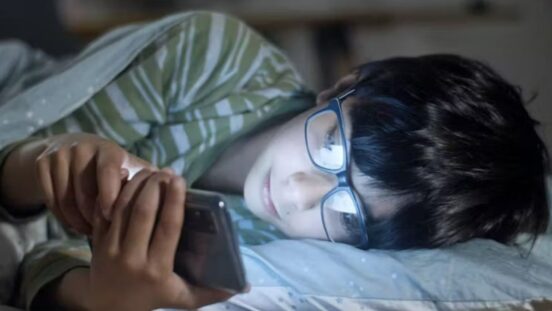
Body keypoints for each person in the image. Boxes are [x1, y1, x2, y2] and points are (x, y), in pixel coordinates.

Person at [0, 11, 548, 311]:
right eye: (332, 146)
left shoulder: (269, 255)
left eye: (347, 214)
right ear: (343, 86)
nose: (296, 192)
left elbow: (41, 261)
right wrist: (41, 160)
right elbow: (22, 155)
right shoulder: (209, 58)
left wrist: (102, 299)